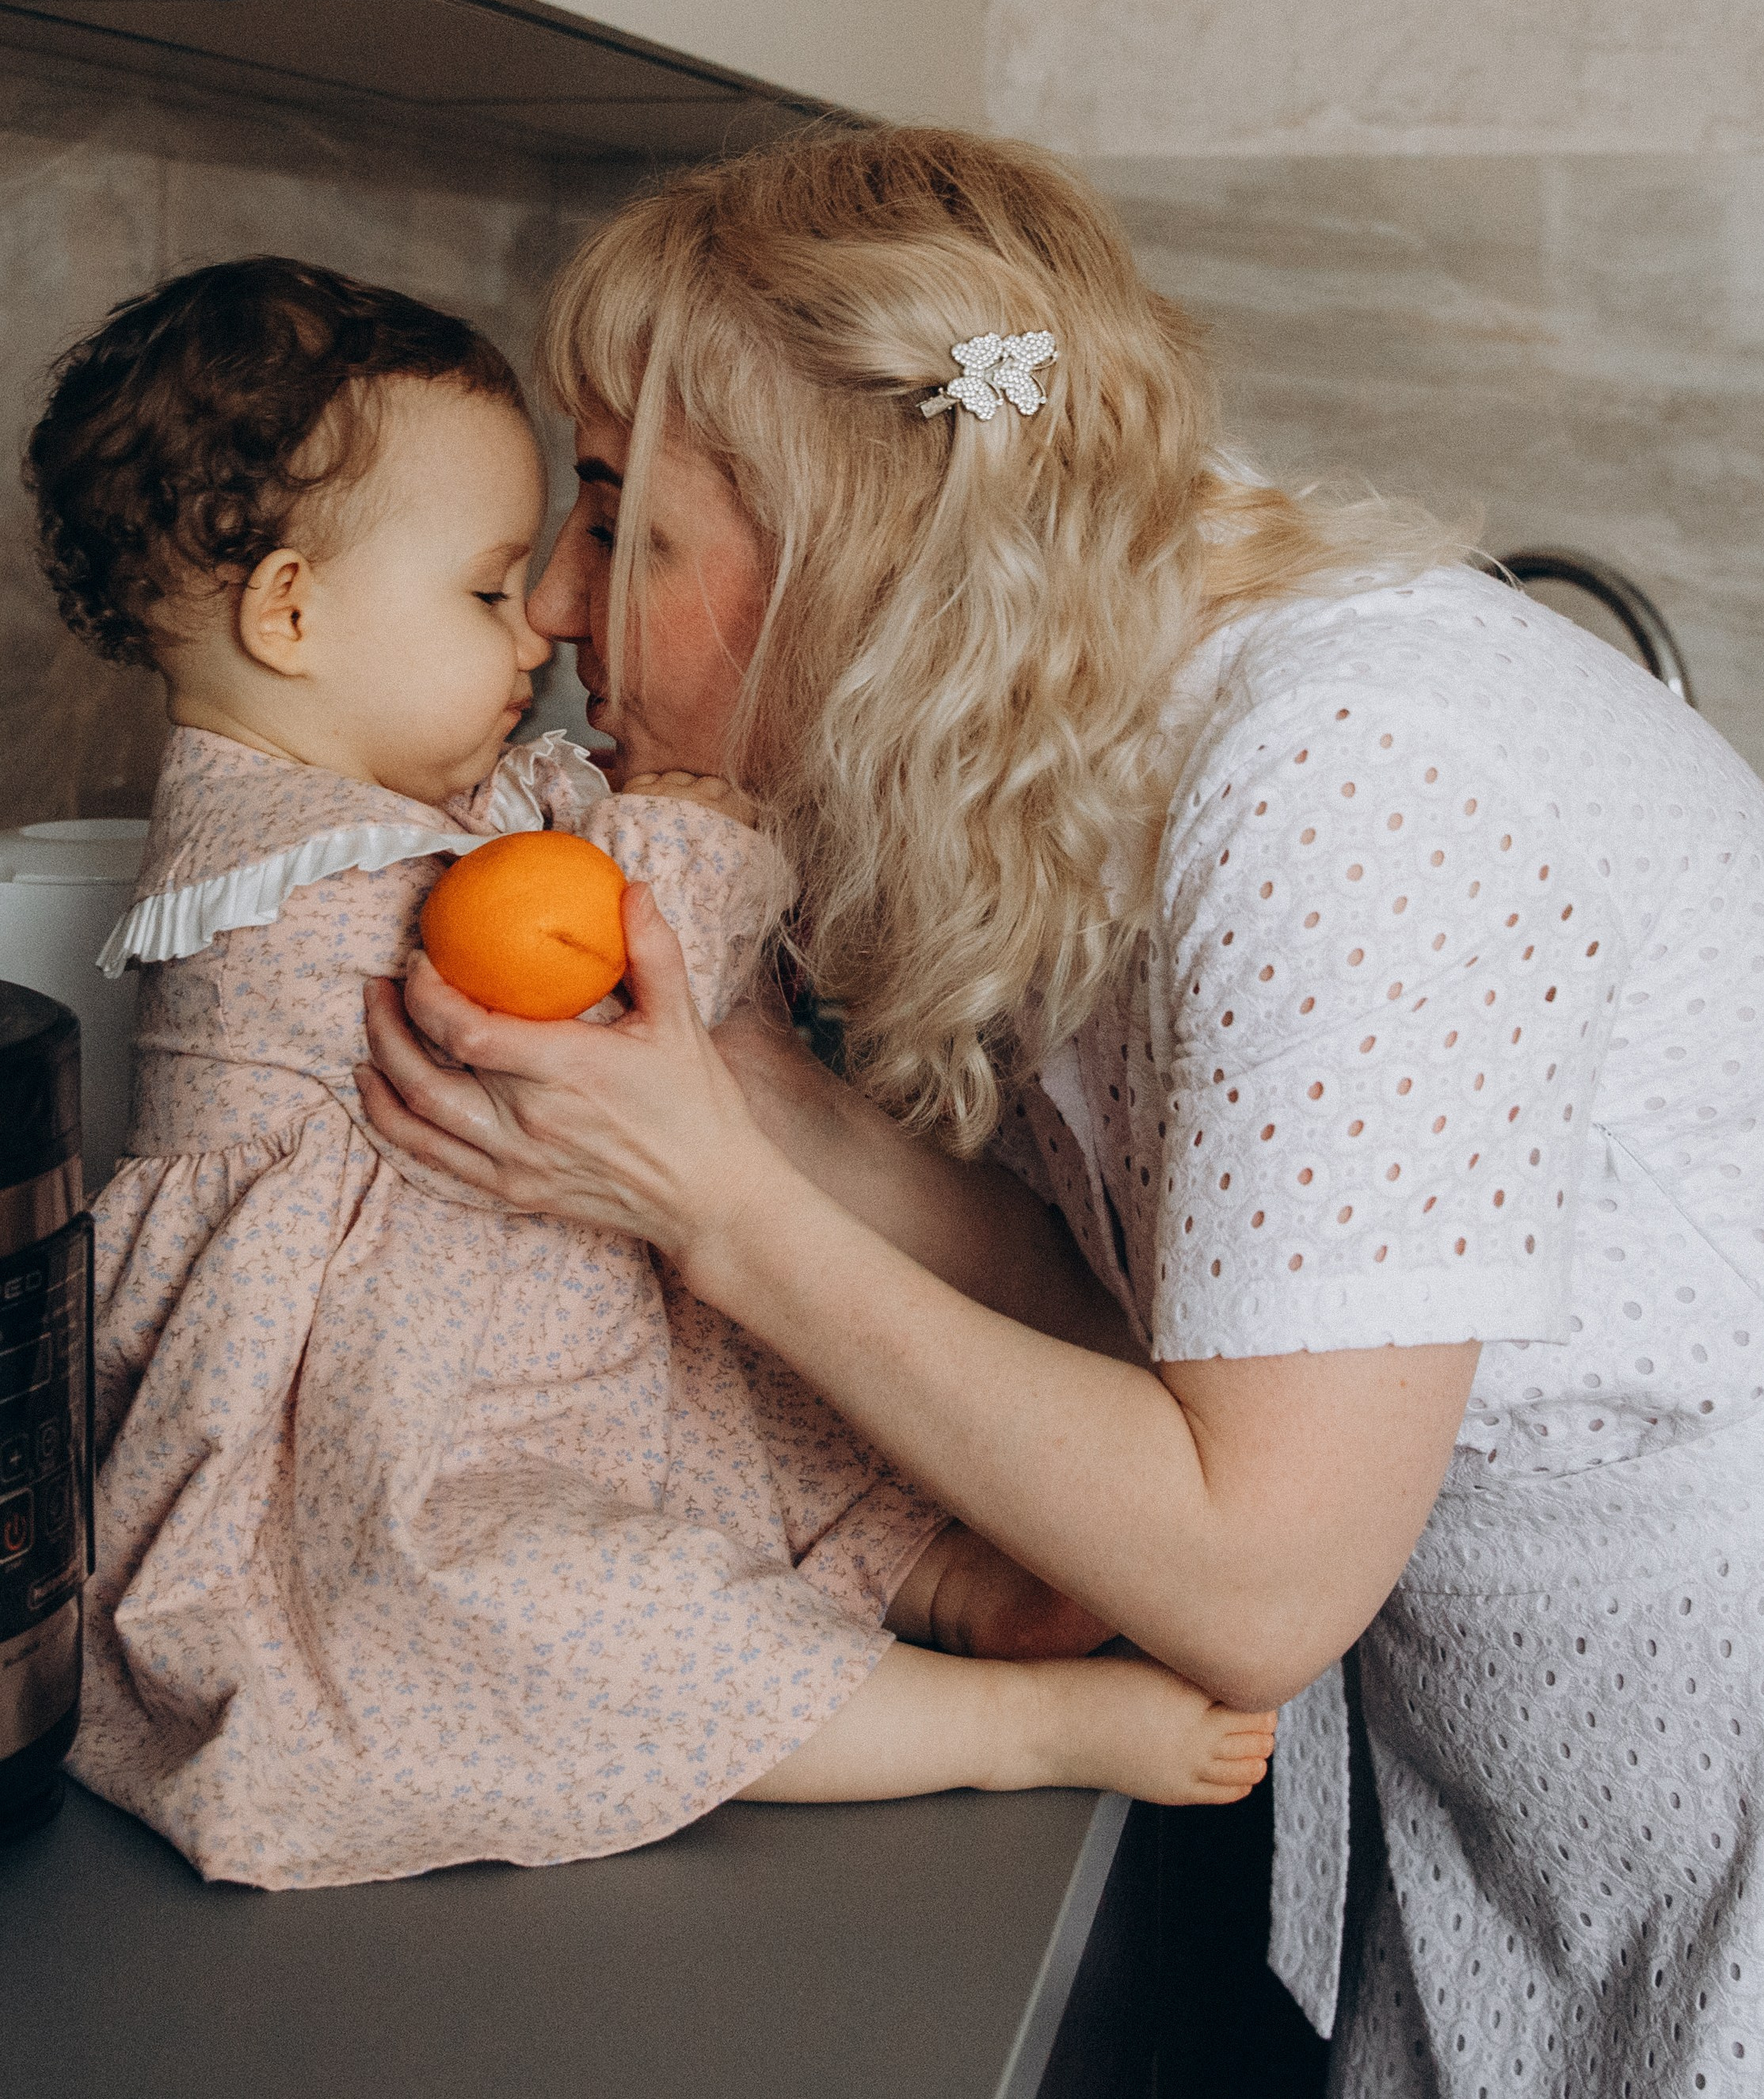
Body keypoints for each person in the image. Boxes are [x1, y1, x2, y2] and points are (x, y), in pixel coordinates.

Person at [360, 127, 1764, 2097]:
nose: (565, 605)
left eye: (616, 511)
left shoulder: (1350, 778)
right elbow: (1119, 1305)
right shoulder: (1083, 730)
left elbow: (1256, 1574)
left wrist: (718, 1210)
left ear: (851, 523)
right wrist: (742, 1095)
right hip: (1543, 1754)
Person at [23, 257, 1274, 1890]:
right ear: (291, 612)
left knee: (741, 1413)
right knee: (567, 1605)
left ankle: (952, 1584)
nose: (540, 628)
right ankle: (1004, 1723)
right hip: (380, 1437)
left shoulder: (346, 807)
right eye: (484, 592)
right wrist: (694, 812)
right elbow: (584, 940)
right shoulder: (277, 865)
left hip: (494, 1339)